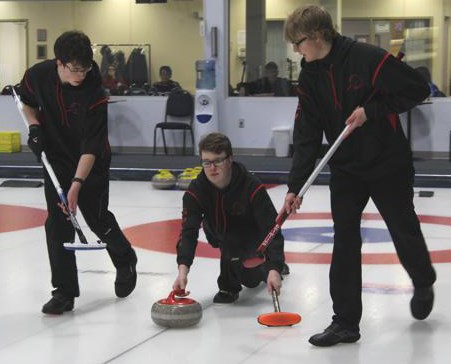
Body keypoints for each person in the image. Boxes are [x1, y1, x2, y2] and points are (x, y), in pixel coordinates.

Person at [282, 5, 436, 347]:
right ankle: (345, 322)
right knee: (345, 240)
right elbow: (306, 133)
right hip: (347, 168)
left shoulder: (367, 57)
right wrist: (296, 186)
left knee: (403, 229)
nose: (296, 50)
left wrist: (373, 110)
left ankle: (423, 280)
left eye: (299, 41)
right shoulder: (309, 76)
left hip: (387, 164)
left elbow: (417, 88)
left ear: (319, 35)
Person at [18, 30, 138, 315]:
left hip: (90, 162)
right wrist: (35, 128)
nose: (81, 73)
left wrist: (76, 185)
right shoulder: (37, 75)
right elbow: (26, 103)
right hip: (56, 158)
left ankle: (124, 258)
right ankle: (64, 291)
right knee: (57, 223)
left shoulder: (93, 91)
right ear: (59, 62)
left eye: (85, 67)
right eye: (75, 68)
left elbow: (91, 147)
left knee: (96, 219)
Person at [172, 132, 288, 304]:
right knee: (231, 246)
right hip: (219, 233)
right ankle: (230, 285)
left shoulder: (251, 186)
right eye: (206, 162)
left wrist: (274, 268)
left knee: (251, 280)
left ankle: (265, 268)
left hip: (251, 235)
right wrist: (182, 271)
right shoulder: (195, 192)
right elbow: (188, 232)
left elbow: (271, 229)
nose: (212, 168)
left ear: (230, 159)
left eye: (218, 161)